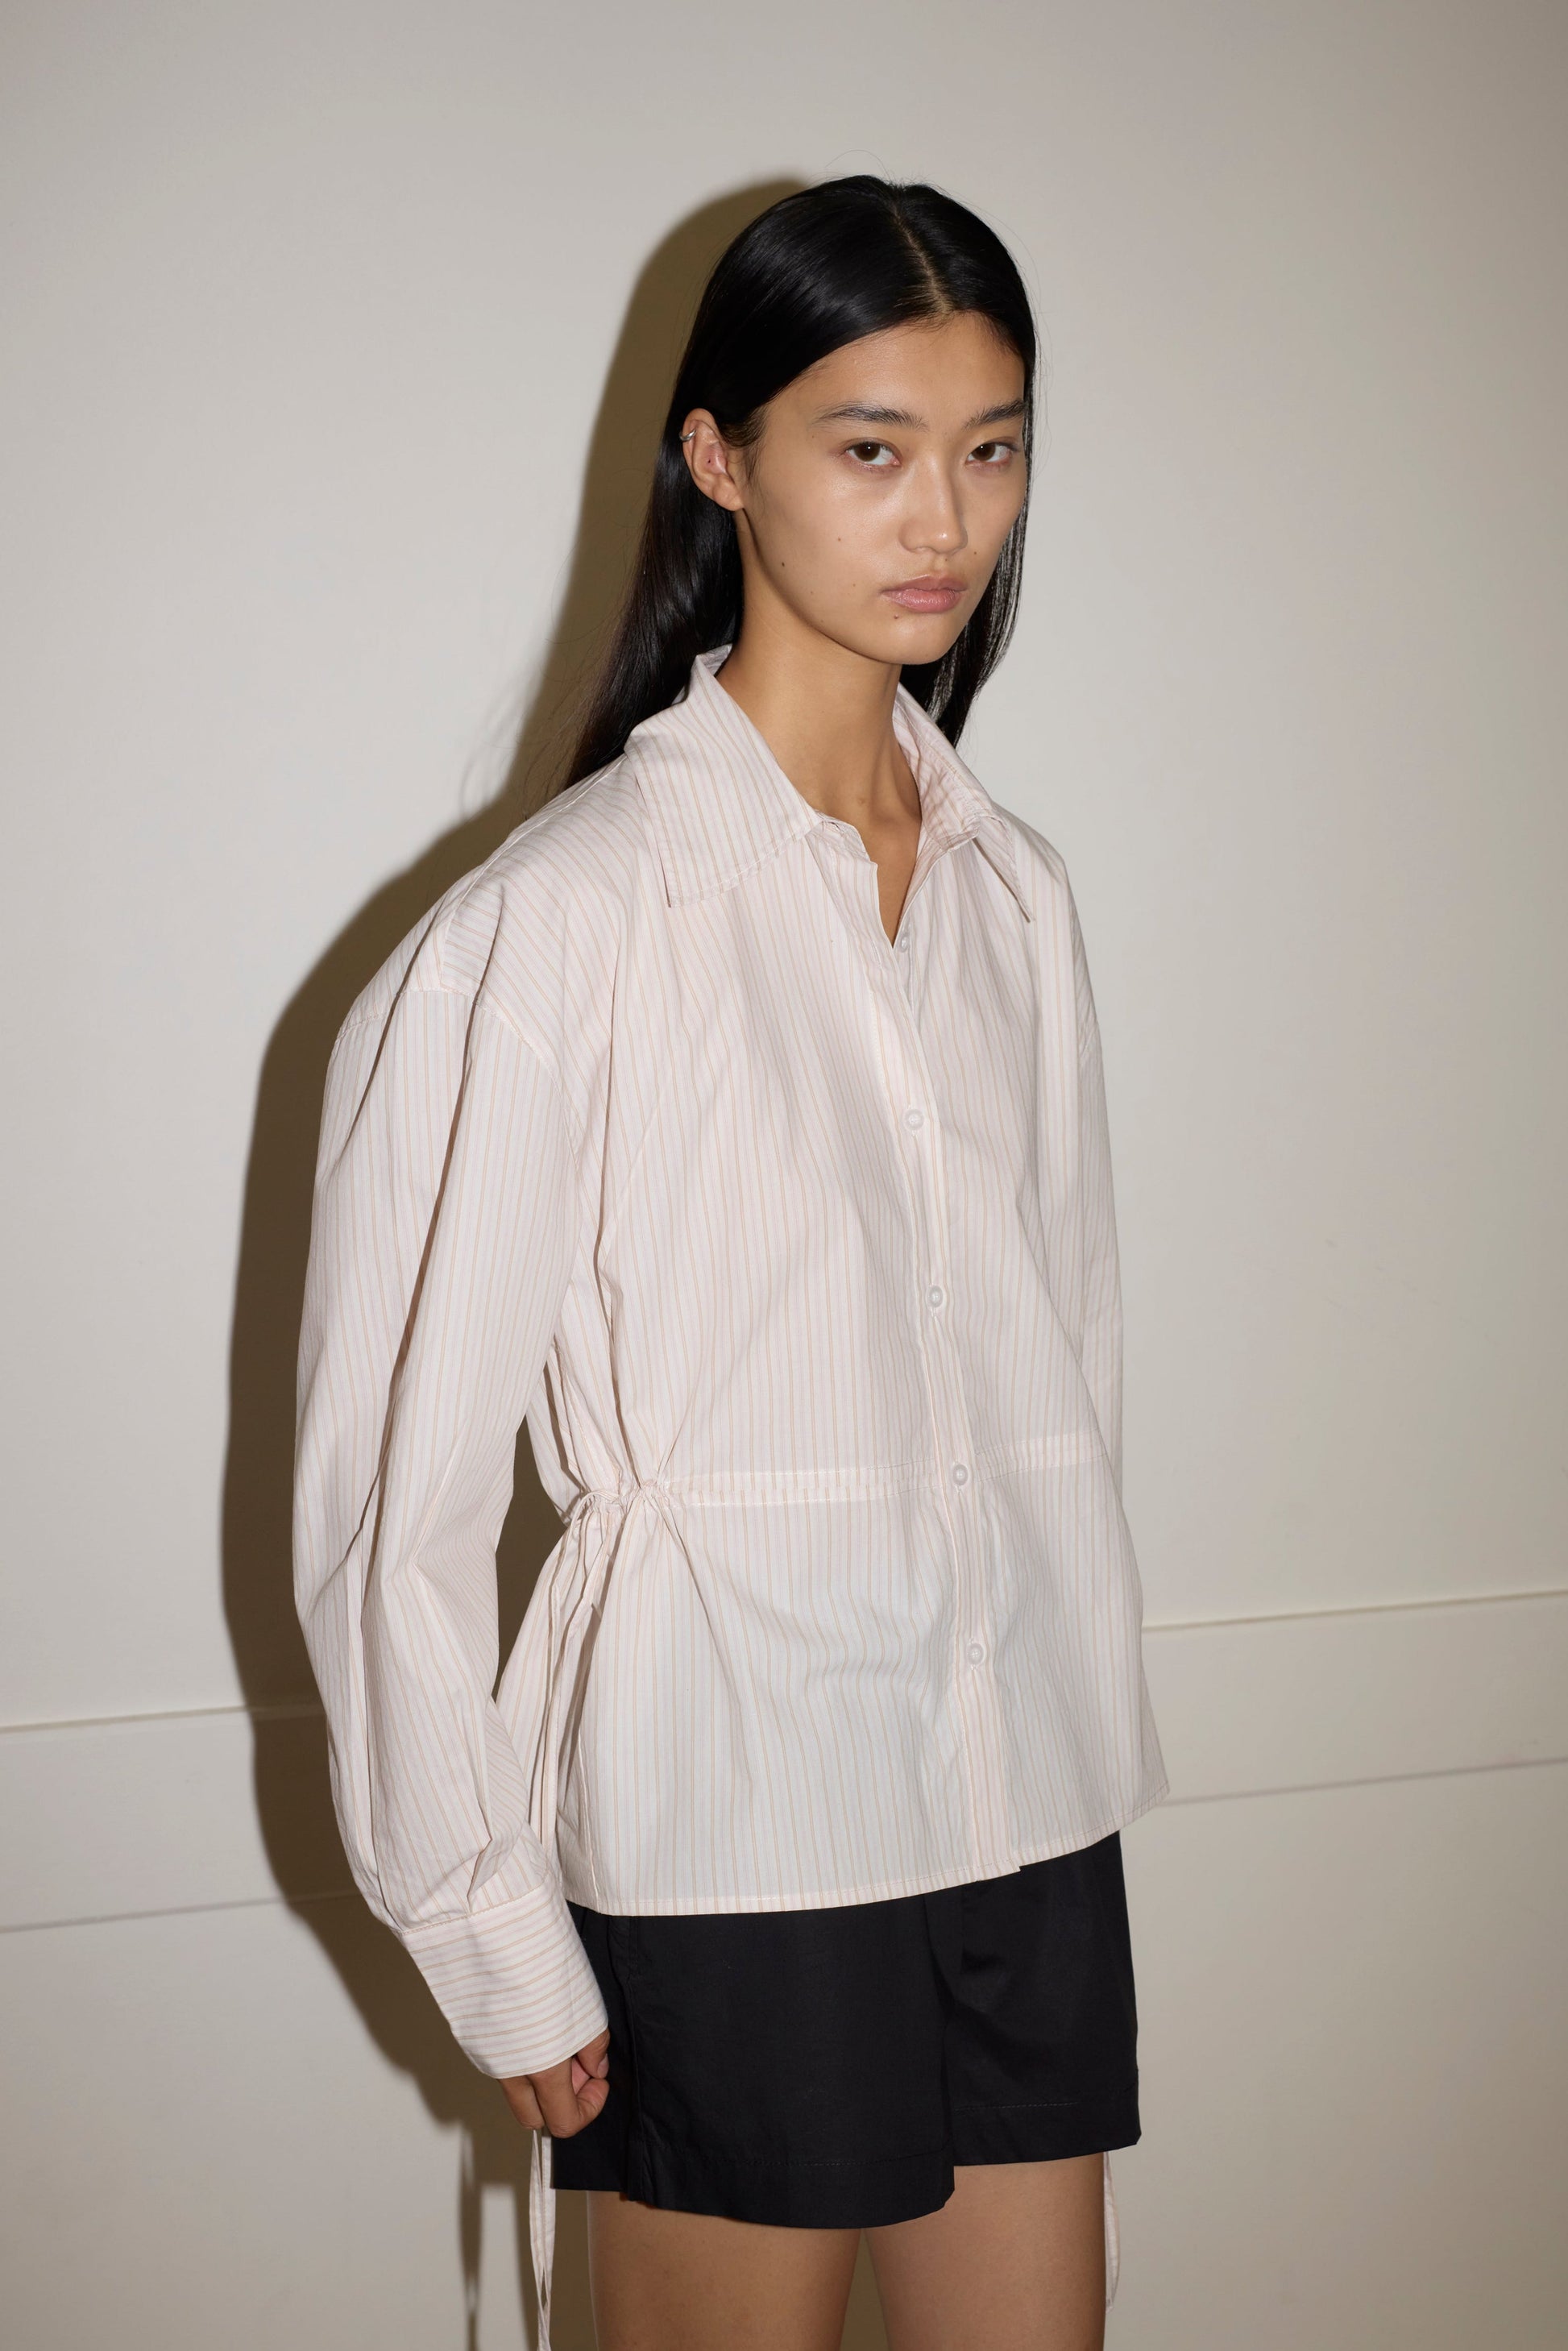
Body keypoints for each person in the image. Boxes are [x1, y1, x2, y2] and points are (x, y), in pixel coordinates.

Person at [293, 175, 1168, 2351]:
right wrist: (487, 1922)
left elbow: (1064, 1365)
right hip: (732, 1830)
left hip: (1023, 1805)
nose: (941, 516)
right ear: (719, 454)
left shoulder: (1011, 896)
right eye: (868, 446)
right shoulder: (565, 921)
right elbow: (392, 1502)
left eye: (991, 445)